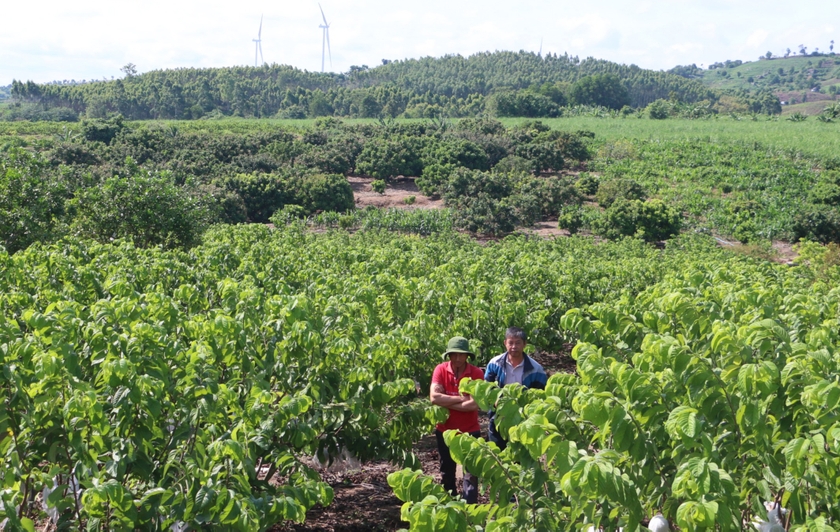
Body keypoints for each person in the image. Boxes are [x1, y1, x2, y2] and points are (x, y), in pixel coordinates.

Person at [429, 336, 484, 503]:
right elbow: (434, 397)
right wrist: (461, 399)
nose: (458, 358)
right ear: (449, 355)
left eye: (461, 355)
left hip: (470, 430)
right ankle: (450, 504)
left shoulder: (476, 373)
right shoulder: (440, 370)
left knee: (471, 472)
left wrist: (446, 401)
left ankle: (470, 508)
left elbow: (474, 404)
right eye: (454, 354)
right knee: (447, 470)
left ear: (467, 356)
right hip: (445, 430)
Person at [484, 327, 547, 451]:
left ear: (524, 344)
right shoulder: (494, 364)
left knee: (521, 455)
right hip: (498, 417)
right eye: (510, 343)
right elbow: (487, 389)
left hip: (523, 419)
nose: (514, 346)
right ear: (505, 343)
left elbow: (540, 396)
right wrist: (495, 401)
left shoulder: (536, 369)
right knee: (498, 454)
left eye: (518, 343)